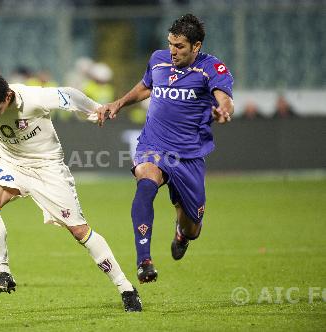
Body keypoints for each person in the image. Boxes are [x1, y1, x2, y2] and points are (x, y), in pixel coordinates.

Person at [0, 73, 142, 312]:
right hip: (12, 164)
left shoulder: (35, 98)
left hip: (48, 168)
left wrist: (95, 110)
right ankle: (3, 272)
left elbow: (71, 95)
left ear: (9, 96)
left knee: (79, 230)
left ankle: (125, 288)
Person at [97, 14, 234, 284]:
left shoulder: (212, 68)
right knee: (146, 182)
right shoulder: (158, 59)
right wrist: (119, 103)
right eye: (171, 44)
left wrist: (223, 112)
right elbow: (147, 86)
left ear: (196, 46)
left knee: (192, 227)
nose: (173, 50)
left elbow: (225, 99)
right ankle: (144, 261)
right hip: (154, 144)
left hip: (189, 156)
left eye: (180, 46)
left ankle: (182, 234)